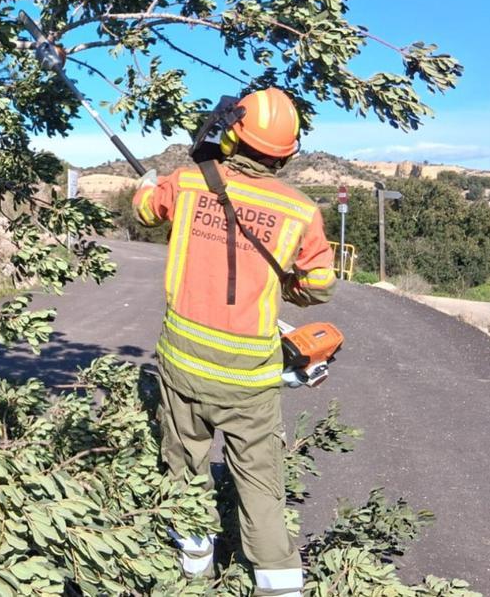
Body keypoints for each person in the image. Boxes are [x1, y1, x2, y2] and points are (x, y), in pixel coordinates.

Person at [132, 87, 336, 597]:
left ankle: (194, 565)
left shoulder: (186, 184)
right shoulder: (300, 211)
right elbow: (320, 284)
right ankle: (279, 583)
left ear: (231, 135)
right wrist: (290, 286)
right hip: (249, 375)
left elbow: (144, 211)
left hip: (183, 361)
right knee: (260, 482)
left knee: (185, 462)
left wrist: (145, 184)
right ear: (286, 155)